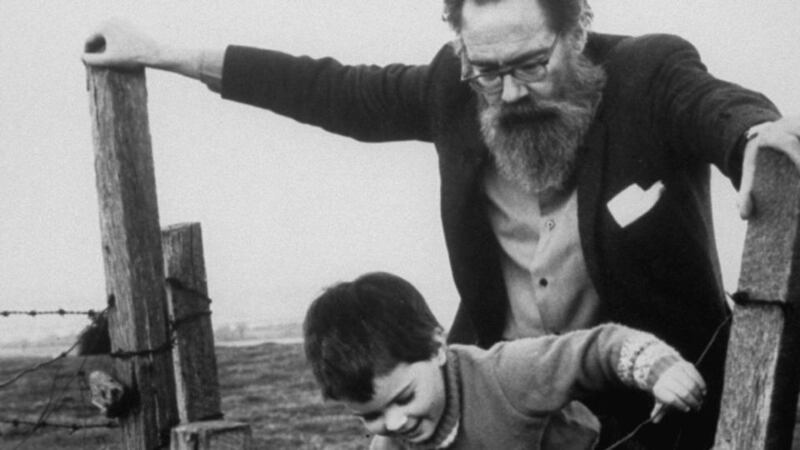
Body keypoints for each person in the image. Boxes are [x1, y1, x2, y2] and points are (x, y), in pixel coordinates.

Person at [82, 1, 800, 447]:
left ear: (576, 27)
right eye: (487, 69)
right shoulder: (452, 91)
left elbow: (718, 108)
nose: (510, 91)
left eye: (529, 63)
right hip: (490, 414)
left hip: (655, 411)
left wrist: (756, 137)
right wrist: (162, 53)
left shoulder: (651, 71)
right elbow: (329, 88)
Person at [304, 271, 707, 449]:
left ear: (436, 347)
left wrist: (660, 369)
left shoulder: (507, 373)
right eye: (370, 415)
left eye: (405, 397)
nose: (394, 423)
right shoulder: (391, 445)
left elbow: (601, 347)